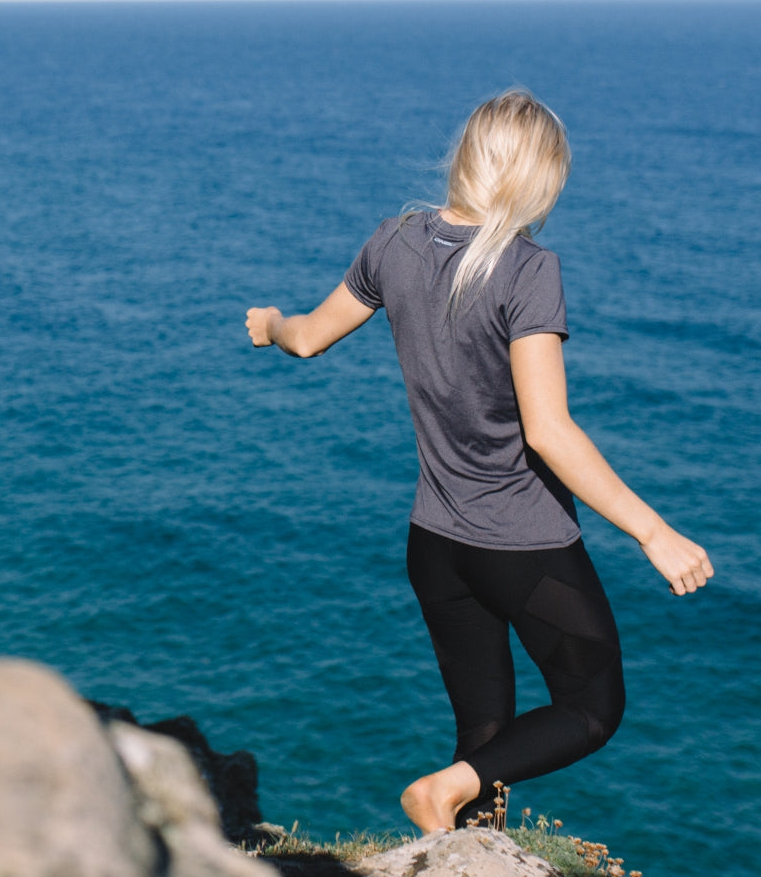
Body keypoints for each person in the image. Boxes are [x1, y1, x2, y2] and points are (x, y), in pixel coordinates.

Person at [245, 89, 714, 836]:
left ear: (465, 157)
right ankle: (444, 806)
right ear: (538, 178)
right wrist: (652, 532)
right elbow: (548, 432)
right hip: (522, 546)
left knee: (482, 740)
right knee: (592, 708)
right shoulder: (527, 269)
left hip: (434, 545)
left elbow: (305, 337)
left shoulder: (392, 242)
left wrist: (268, 325)